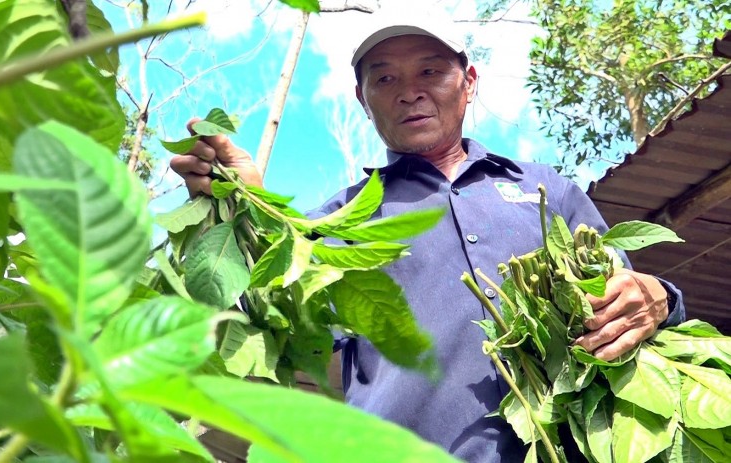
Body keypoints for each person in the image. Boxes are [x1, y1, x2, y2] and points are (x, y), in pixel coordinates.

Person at [170, 8, 685, 461]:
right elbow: (281, 326)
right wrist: (252, 210)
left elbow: (623, 293)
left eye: (431, 71)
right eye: (385, 79)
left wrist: (660, 296)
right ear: (362, 99)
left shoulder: (547, 190)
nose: (409, 91)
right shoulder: (334, 221)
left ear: (469, 80)